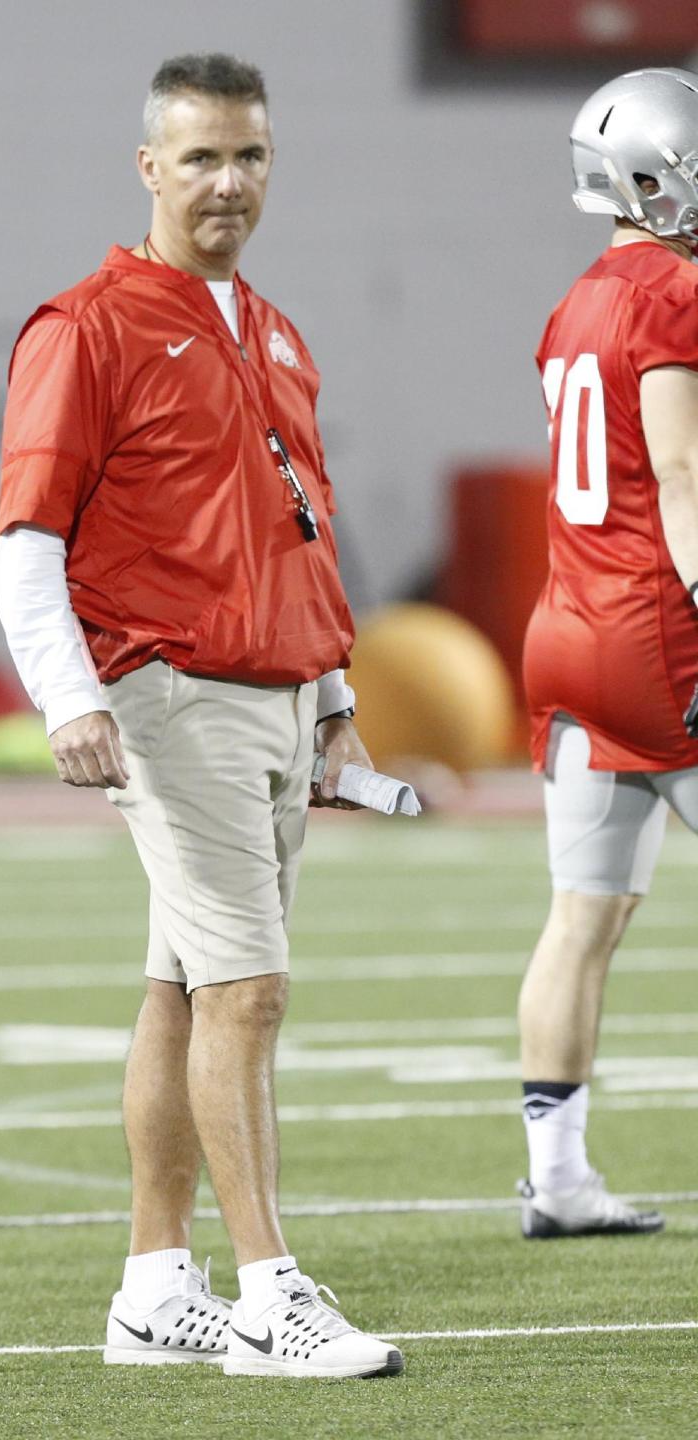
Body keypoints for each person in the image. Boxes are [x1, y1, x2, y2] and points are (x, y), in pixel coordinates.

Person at [0, 53, 404, 1379]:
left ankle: (154, 1287)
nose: (229, 182)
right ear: (150, 168)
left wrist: (337, 698)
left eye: (252, 156)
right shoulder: (86, 324)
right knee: (249, 994)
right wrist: (67, 696)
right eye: (203, 157)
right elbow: (23, 540)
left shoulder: (274, 330)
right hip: (172, 695)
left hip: (279, 698)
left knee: (182, 991)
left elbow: (301, 530)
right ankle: (271, 1295)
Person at [519, 66, 698, 1238]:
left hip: (567, 632)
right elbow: (678, 474)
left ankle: (558, 1178)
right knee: (587, 915)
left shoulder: (572, 304)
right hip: (657, 635)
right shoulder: (676, 295)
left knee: (582, 916)